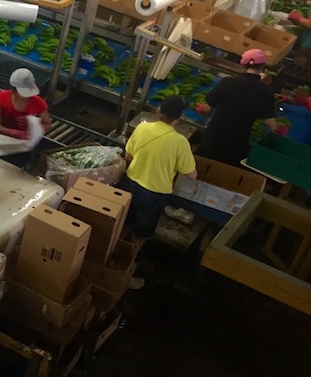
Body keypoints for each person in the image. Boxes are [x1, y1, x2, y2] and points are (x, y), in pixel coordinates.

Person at [119, 95, 197, 252]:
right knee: (140, 234)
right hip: (154, 196)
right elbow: (191, 174)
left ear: (159, 109)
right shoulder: (180, 142)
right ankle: (127, 261)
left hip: (129, 184)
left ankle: (112, 256)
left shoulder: (142, 127)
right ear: (180, 117)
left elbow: (128, 156)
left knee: (122, 225)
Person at [195, 48, 278, 166]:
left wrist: (200, 108)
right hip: (237, 143)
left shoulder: (227, 82)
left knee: (201, 167)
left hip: (213, 138)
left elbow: (207, 108)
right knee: (224, 173)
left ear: (243, 64)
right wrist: (279, 131)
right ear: (263, 67)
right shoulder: (266, 91)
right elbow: (270, 122)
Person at [0, 68, 51, 168]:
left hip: (25, 147)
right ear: (13, 89)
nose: (26, 97)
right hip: (4, 144)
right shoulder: (2, 98)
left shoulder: (37, 102)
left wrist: (34, 130)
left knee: (19, 168)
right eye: (23, 94)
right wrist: (15, 133)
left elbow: (47, 123)